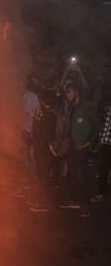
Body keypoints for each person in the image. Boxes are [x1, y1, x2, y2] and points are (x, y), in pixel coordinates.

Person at [60, 83, 101, 217]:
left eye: (69, 93)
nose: (67, 95)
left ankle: (85, 206)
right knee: (70, 173)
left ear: (76, 92)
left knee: (81, 176)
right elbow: (68, 126)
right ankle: (74, 200)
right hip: (71, 146)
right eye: (66, 93)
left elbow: (97, 126)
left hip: (80, 147)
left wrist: (88, 142)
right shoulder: (71, 107)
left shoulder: (86, 107)